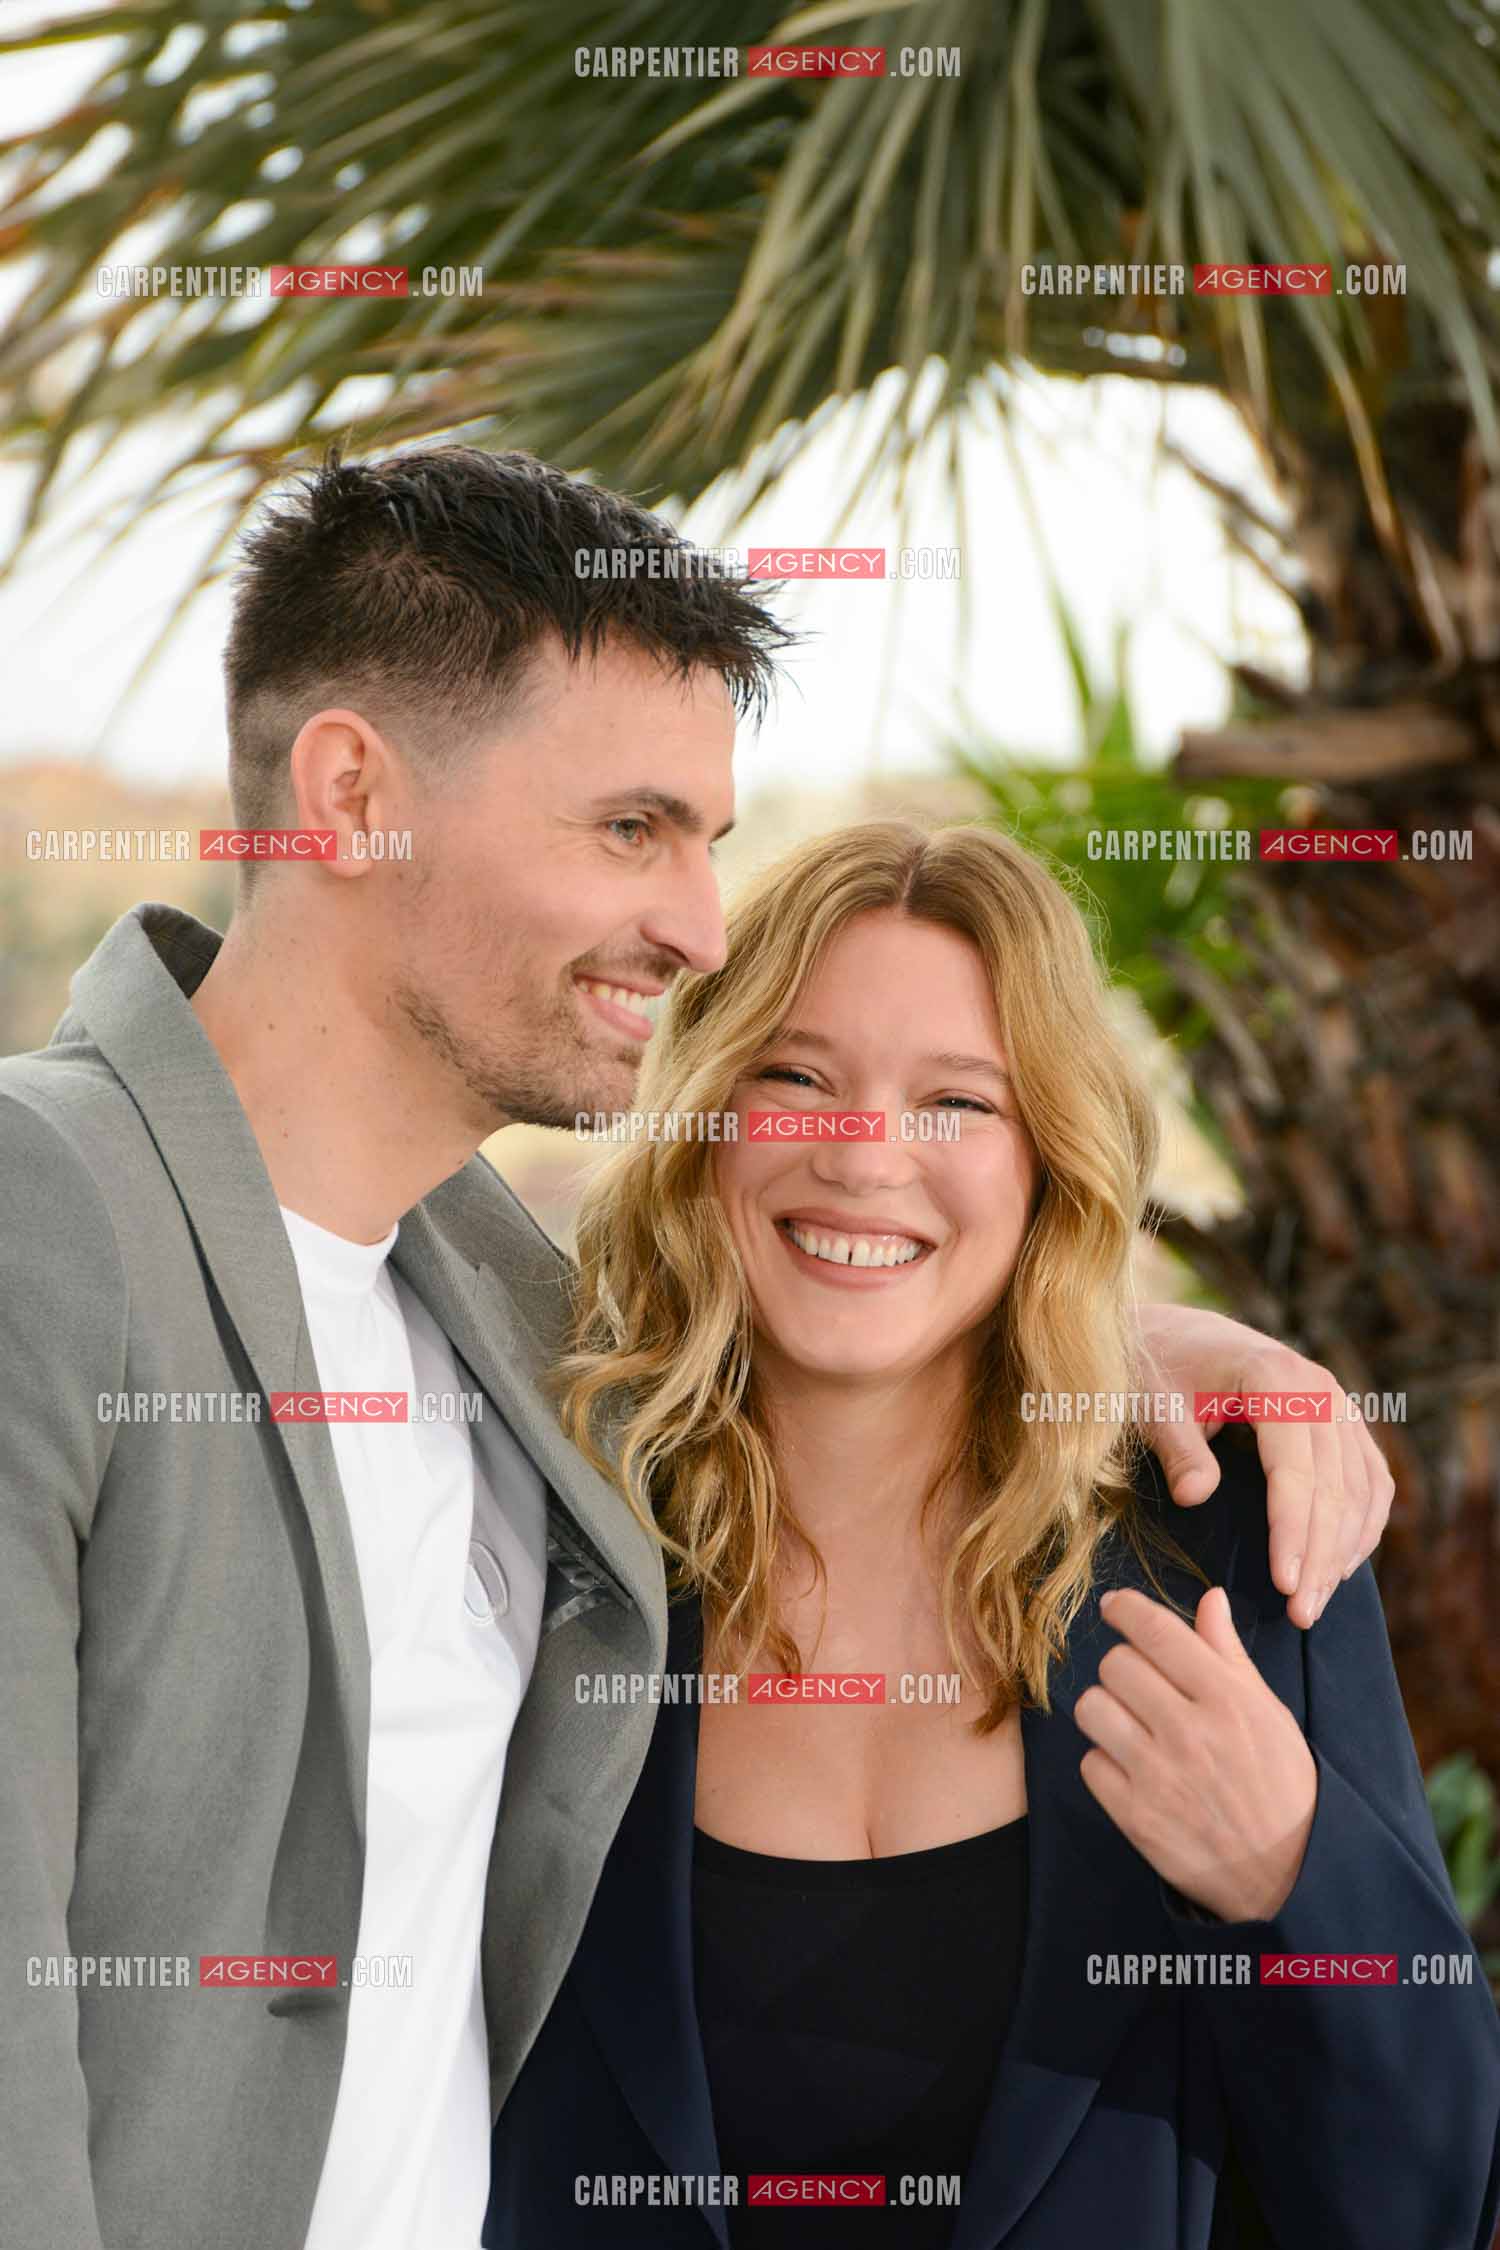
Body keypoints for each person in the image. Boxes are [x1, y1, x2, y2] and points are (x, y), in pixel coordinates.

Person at [0, 444, 1389, 2250]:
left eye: (710, 842)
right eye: (630, 827)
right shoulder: (48, 1206)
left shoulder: (504, 1324)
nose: (699, 926)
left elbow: (829, 1298)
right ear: (349, 796)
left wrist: (1103, 1322)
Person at [483, 818, 1500, 2250]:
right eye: (796, 1076)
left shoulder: (1235, 1542)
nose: (866, 1157)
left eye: (957, 1101)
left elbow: (1430, 2198)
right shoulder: (541, 1534)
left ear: (1047, 1166)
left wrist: (1293, 1866)